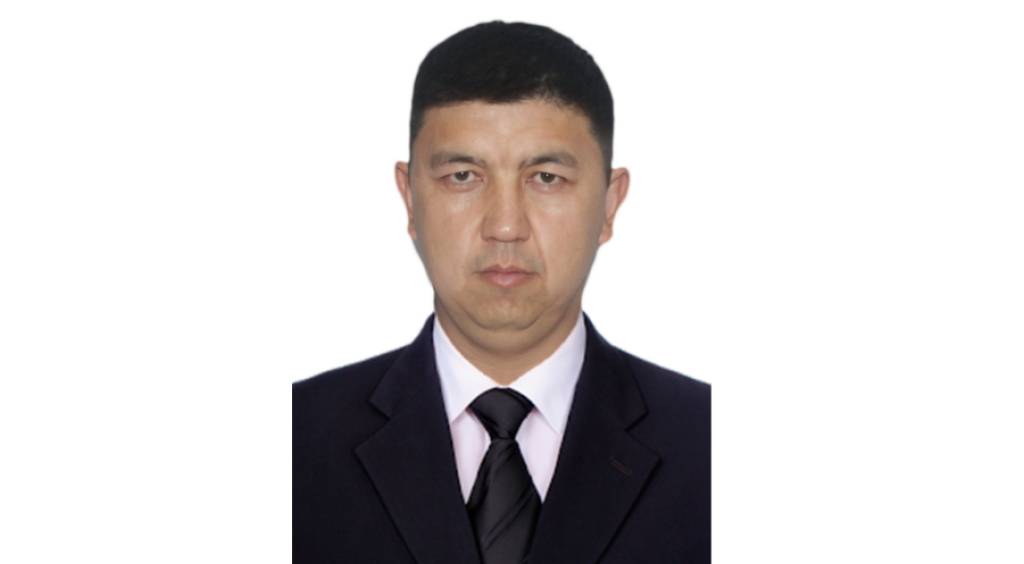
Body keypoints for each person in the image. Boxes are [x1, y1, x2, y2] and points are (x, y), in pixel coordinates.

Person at [293, 20, 710, 564]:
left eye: (546, 178)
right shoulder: (295, 439)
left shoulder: (712, 444)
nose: (506, 226)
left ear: (609, 205)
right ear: (410, 198)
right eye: (463, 176)